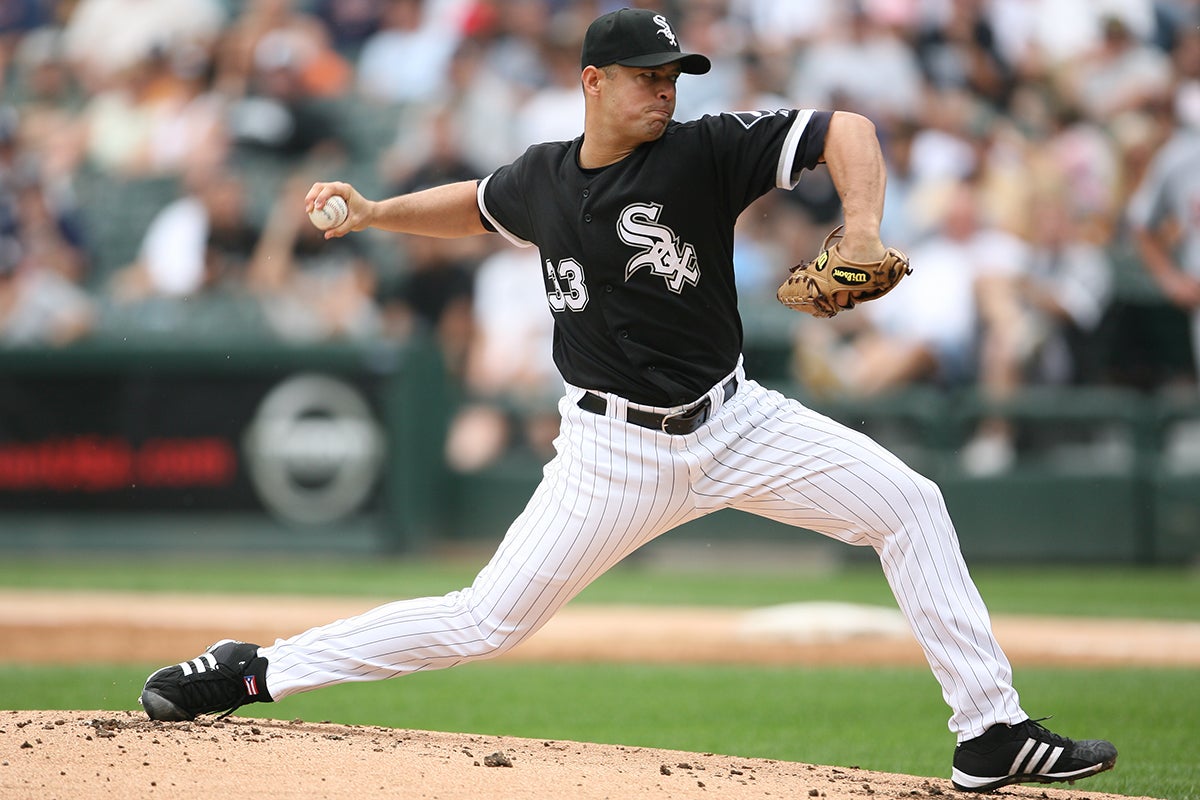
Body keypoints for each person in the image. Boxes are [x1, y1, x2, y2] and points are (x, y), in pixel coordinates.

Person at [138, 8, 1118, 793]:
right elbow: (477, 202)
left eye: (674, 75)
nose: (665, 89)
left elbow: (843, 130)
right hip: (612, 454)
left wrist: (862, 225)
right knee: (486, 619)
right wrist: (380, 210)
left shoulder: (700, 153)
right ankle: (258, 666)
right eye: (649, 75)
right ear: (594, 82)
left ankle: (989, 731)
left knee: (910, 503)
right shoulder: (544, 179)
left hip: (738, 419)